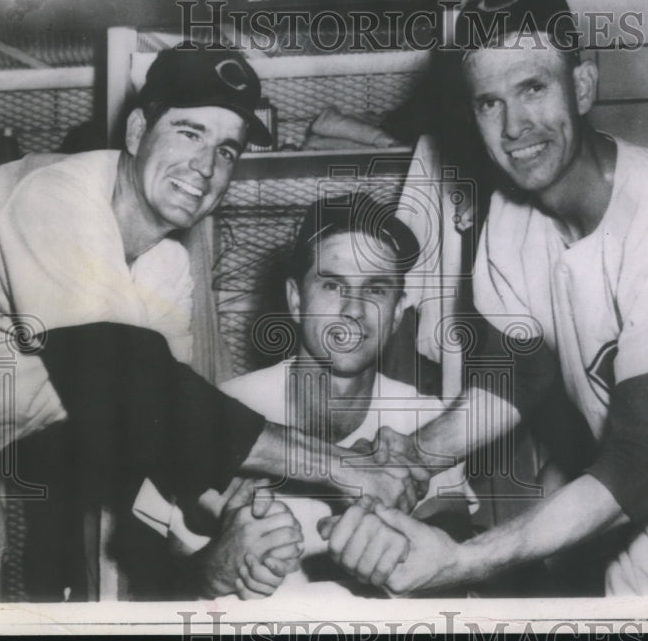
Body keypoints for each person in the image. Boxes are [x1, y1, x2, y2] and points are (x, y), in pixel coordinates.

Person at [0, 48, 426, 601]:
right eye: (189, 133)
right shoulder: (55, 196)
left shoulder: (166, 266)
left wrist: (235, 516)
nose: (205, 166)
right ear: (139, 128)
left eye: (226, 149)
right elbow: (137, 392)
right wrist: (343, 468)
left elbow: (158, 436)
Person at [324, 0, 648, 596]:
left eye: (533, 88)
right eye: (489, 102)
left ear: (583, 86)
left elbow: (638, 461)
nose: (515, 126)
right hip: (644, 558)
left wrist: (464, 561)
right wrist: (414, 454)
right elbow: (520, 375)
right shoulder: (512, 221)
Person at [132, 194, 475, 599]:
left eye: (376, 289)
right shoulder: (219, 413)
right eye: (332, 285)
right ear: (296, 300)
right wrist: (214, 570)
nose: (354, 310)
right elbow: (151, 591)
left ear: (398, 313)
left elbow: (455, 555)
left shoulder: (428, 420)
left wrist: (405, 545)